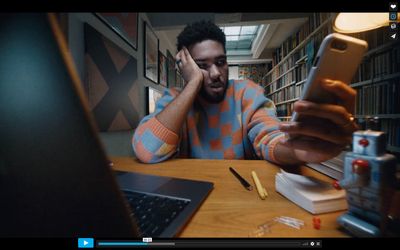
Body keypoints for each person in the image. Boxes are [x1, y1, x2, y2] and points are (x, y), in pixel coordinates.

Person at [132, 20, 357, 165]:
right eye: (202, 66)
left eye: (221, 62)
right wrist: (192, 84)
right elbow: (148, 151)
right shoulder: (174, 99)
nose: (215, 73)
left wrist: (296, 151)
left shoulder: (247, 93)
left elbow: (268, 136)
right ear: (187, 69)